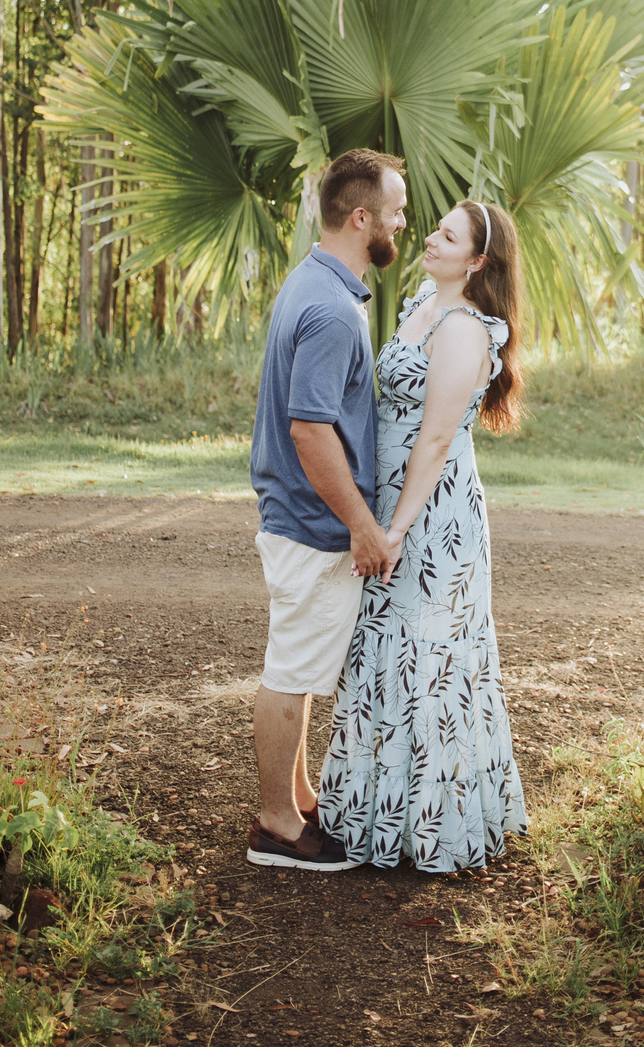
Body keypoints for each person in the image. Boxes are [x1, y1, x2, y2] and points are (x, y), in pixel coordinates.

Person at [318, 198, 528, 872]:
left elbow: (435, 441)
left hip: (431, 517)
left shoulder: (465, 329)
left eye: (449, 236)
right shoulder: (422, 304)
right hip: (388, 503)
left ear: (478, 261)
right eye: (436, 228)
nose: (431, 239)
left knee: (427, 655)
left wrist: (396, 529)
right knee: (383, 646)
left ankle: (433, 826)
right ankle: (375, 813)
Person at [247, 148, 407, 872]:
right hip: (312, 525)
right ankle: (277, 826)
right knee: (291, 668)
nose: (402, 223)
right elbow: (310, 430)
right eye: (395, 211)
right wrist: (362, 526)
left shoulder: (313, 280)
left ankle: (299, 796)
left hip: (301, 517)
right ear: (362, 217)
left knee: (305, 662)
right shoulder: (334, 312)